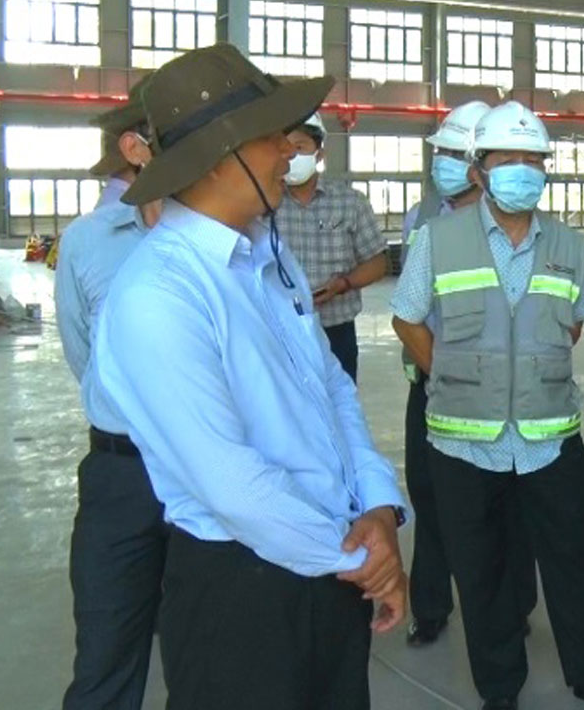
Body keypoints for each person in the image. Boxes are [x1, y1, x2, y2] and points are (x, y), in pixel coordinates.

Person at [81, 44, 408, 710]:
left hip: (332, 557)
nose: (290, 150)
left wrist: (377, 507)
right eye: (271, 135)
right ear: (216, 155)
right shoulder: (158, 294)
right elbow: (230, 482)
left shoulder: (267, 254)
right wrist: (363, 563)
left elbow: (330, 387)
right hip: (242, 591)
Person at [391, 100, 584, 710]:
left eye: (534, 160)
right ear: (479, 168)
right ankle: (499, 688)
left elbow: (573, 322)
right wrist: (451, 373)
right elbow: (406, 318)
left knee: (575, 561)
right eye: (508, 158)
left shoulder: (567, 243)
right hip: (463, 441)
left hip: (549, 436)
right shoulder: (438, 239)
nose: (522, 171)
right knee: (482, 572)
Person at [399, 100, 539, 648]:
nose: (444, 163)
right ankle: (431, 606)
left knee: (506, 503)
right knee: (431, 496)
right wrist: (439, 372)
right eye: (441, 153)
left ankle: (513, 606)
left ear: (479, 163)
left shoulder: (510, 219)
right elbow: (409, 309)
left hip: (497, 391)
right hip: (431, 382)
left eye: (455, 154)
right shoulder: (421, 218)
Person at [55, 90, 163, 710]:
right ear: (135, 147)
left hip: (206, 469)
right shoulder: (88, 241)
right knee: (107, 655)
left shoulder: (224, 233)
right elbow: (84, 356)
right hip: (122, 475)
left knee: (208, 650)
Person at [276, 112, 390, 381]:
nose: (292, 155)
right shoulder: (266, 203)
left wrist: (344, 284)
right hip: (280, 327)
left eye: (300, 147)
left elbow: (378, 262)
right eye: (286, 148)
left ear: (319, 154)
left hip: (337, 330)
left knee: (340, 399)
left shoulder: (349, 202)